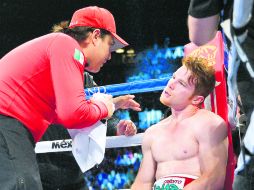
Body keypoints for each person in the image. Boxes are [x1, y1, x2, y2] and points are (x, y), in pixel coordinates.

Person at [0, 6, 141, 189]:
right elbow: (73, 115)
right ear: (95, 36)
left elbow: (59, 116)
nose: (109, 55)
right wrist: (104, 108)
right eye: (110, 45)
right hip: (7, 124)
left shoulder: (59, 48)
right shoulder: (66, 45)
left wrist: (107, 106)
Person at [131, 56, 228, 190]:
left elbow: (213, 180)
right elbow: (142, 183)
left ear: (196, 99)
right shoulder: (152, 132)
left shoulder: (210, 124)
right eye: (173, 77)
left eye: (181, 83)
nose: (171, 83)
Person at [37, 72, 139, 190]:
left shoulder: (83, 78)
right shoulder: (35, 76)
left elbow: (99, 114)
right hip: (40, 168)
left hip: (73, 171)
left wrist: (117, 127)